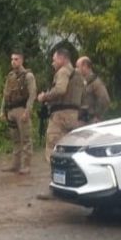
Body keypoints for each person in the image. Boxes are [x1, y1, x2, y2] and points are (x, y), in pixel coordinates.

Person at [36, 48, 85, 200]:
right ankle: (70, 185)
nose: (52, 62)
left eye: (54, 59)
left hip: (60, 116)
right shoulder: (78, 75)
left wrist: (45, 97)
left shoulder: (63, 71)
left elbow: (60, 89)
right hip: (73, 115)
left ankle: (54, 187)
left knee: (52, 151)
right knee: (69, 152)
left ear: (63, 59)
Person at [0, 51, 37, 174]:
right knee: (15, 139)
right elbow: (5, 94)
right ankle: (15, 164)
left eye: (16, 59)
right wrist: (2, 110)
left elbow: (32, 94)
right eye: (12, 59)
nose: (13, 61)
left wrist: (28, 110)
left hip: (21, 109)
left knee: (25, 138)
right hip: (11, 109)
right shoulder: (10, 76)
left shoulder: (28, 76)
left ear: (21, 60)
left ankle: (26, 166)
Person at [75, 56, 110, 125]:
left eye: (78, 67)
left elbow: (104, 99)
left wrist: (97, 116)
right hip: (82, 121)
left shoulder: (95, 82)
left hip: (91, 121)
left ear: (85, 66)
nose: (76, 69)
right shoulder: (84, 82)